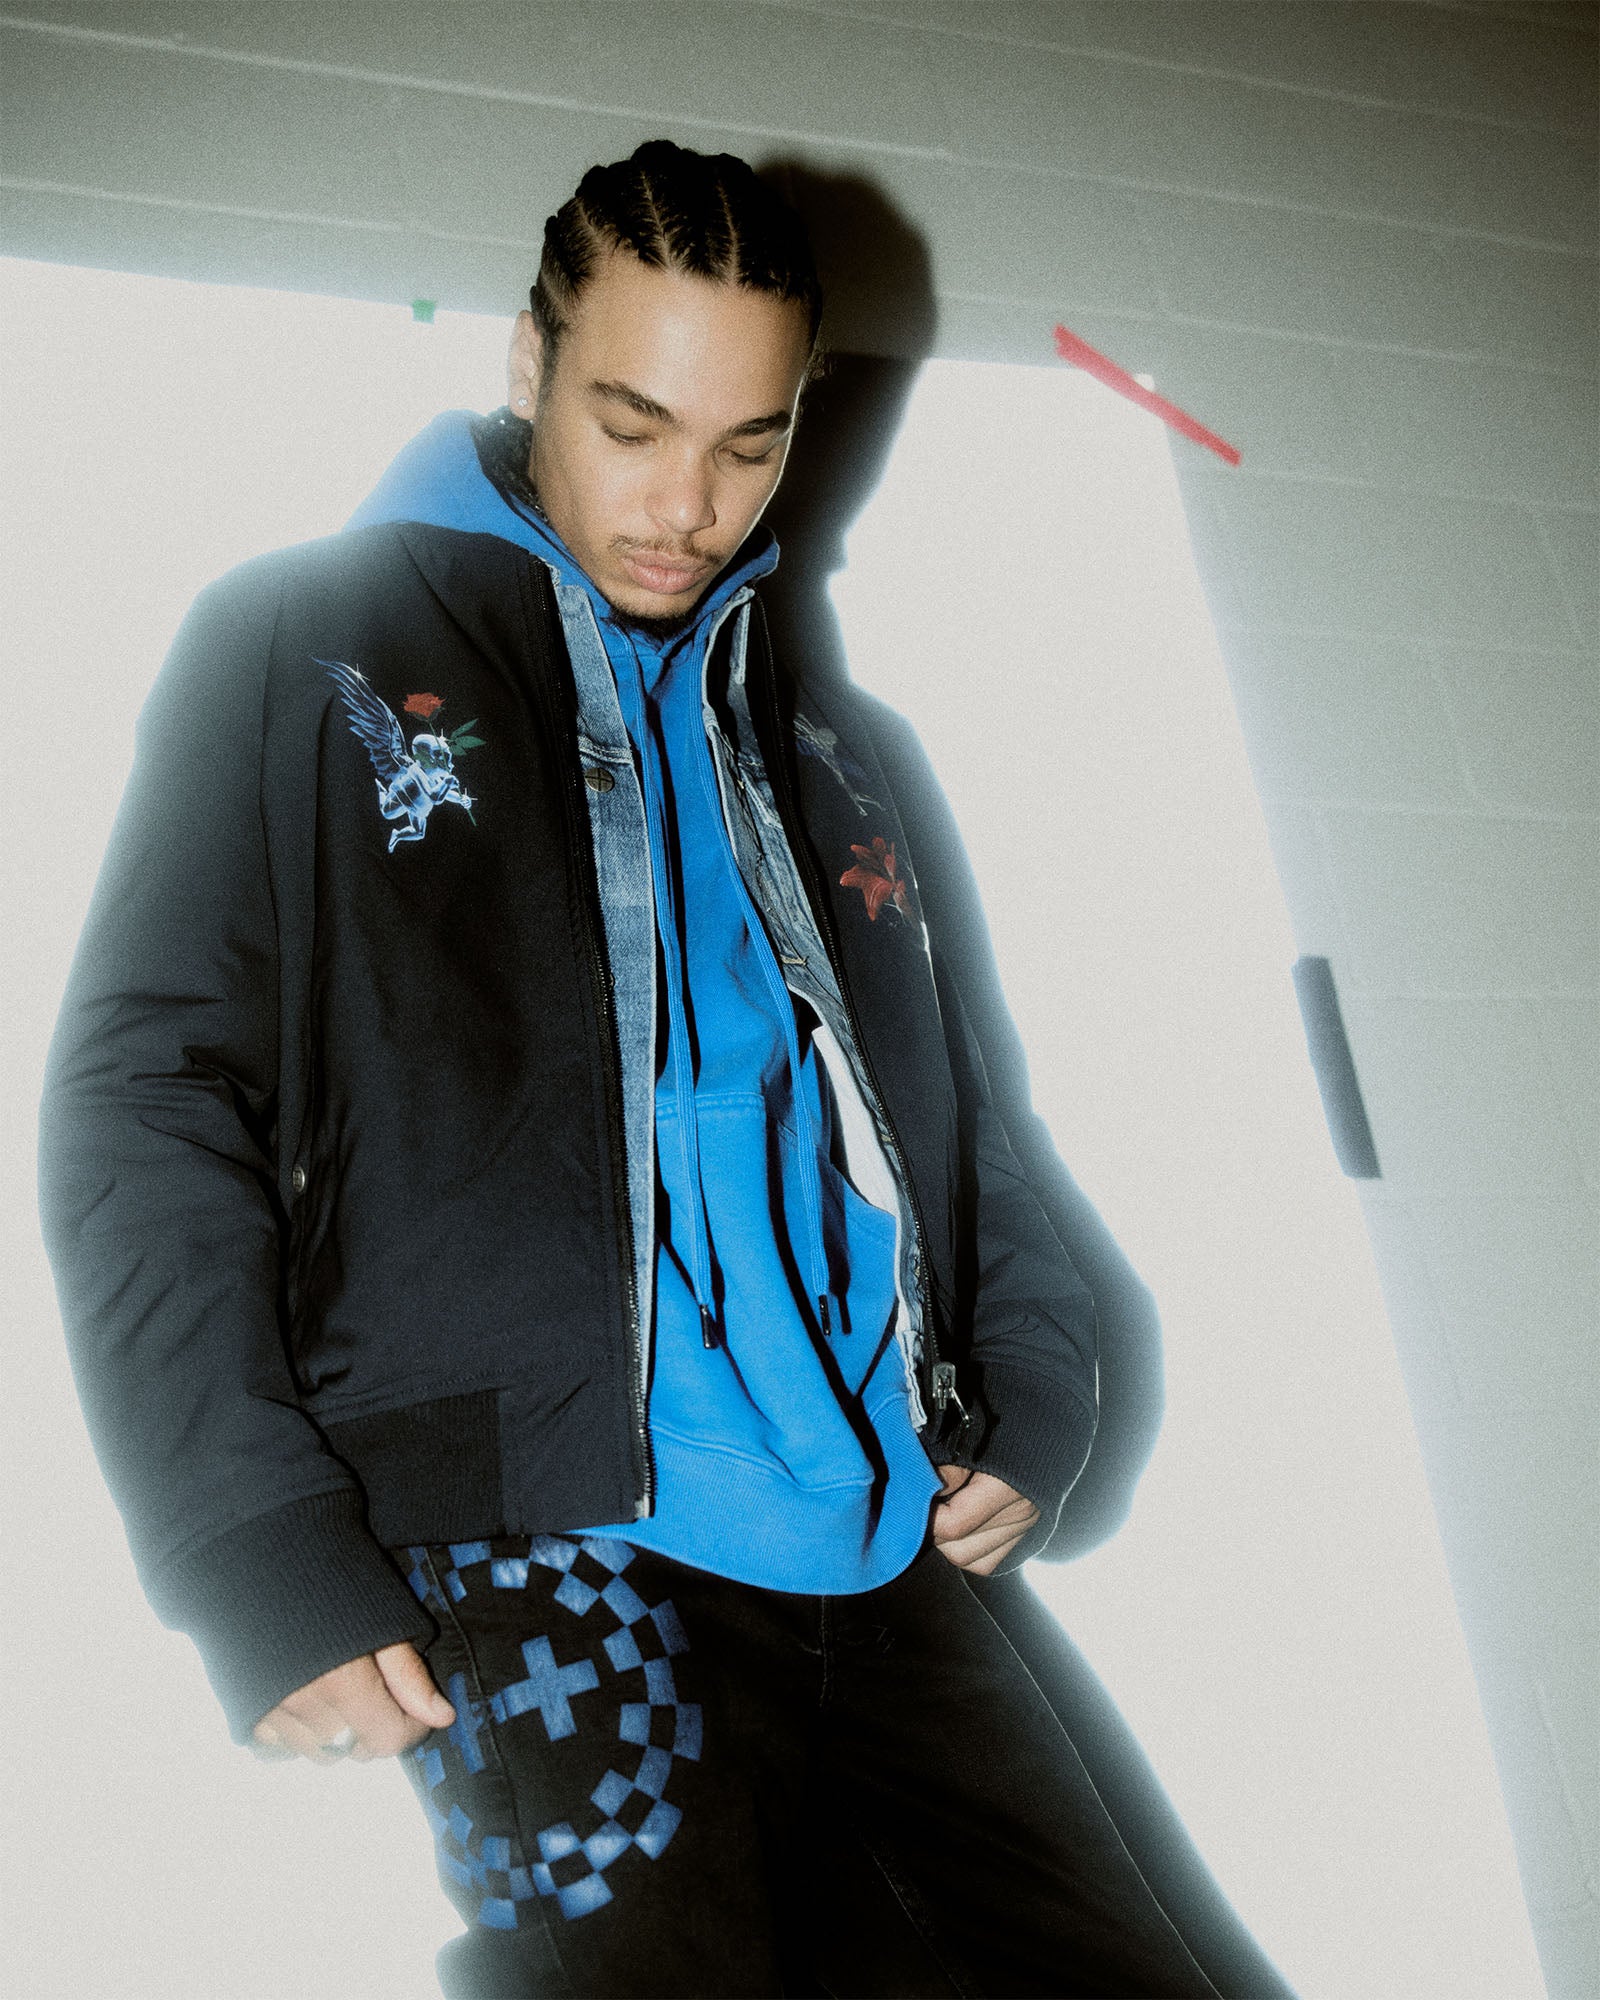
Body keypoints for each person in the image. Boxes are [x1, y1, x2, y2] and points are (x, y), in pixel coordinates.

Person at [40, 141, 1293, 2000]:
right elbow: (149, 1090)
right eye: (632, 426)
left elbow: (961, 1106)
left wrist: (1031, 1374)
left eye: (748, 446)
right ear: (530, 360)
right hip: (527, 1541)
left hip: (867, 1527)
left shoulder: (826, 740)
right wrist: (242, 1530)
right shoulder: (302, 645)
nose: (685, 506)